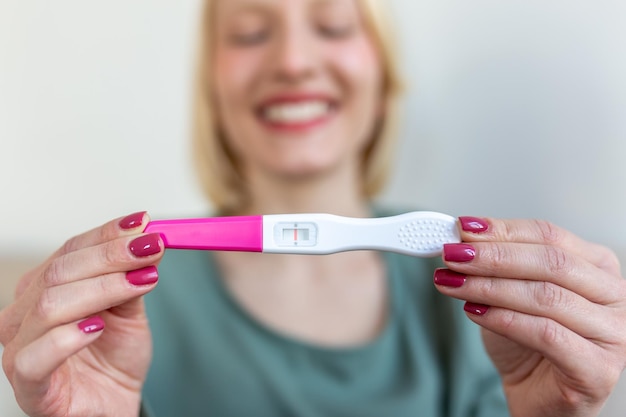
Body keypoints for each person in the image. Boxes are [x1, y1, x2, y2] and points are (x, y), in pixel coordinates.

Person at [1, 0, 624, 416]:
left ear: (384, 78)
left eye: (332, 25)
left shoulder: (482, 296)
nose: (293, 61)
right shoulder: (119, 316)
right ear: (211, 91)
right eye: (248, 33)